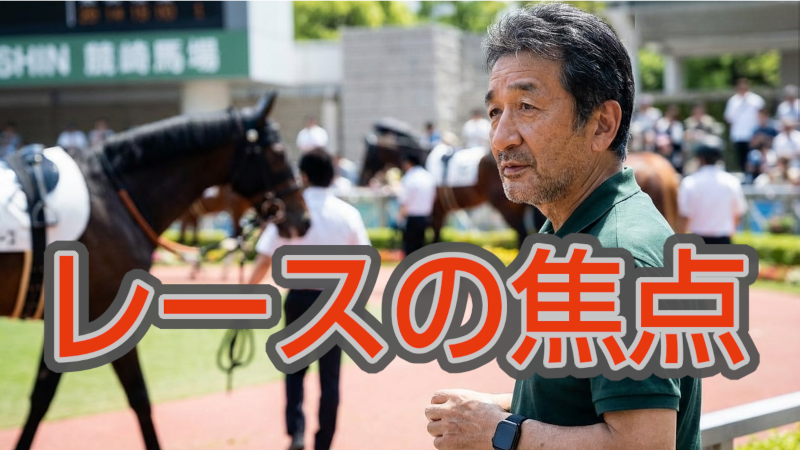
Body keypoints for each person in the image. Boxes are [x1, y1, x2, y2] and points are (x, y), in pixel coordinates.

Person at [425, 4, 701, 450]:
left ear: (602, 125)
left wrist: (498, 431)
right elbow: (576, 402)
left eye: (527, 106)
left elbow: (645, 443)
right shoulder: (571, 231)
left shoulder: (619, 257)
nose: (502, 137)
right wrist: (489, 411)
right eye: (495, 111)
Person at [248, 149, 370, 450]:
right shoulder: (348, 214)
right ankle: (323, 442)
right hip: (335, 303)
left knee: (294, 371)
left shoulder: (289, 213)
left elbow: (264, 258)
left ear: (302, 176)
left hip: (298, 299)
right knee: (330, 379)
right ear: (333, 175)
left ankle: (297, 433)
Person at [678, 136, 747, 245]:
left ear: (700, 158)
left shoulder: (689, 182)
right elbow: (738, 213)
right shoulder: (732, 182)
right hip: (723, 240)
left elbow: (684, 216)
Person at [398, 153, 436, 256]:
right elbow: (433, 197)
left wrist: (399, 218)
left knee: (410, 248)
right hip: (425, 217)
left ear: (409, 163)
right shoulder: (429, 177)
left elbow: (405, 201)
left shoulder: (409, 177)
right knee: (420, 247)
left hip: (412, 217)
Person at [724, 78, 765, 171]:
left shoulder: (756, 100)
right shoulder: (733, 101)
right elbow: (728, 118)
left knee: (754, 157)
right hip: (738, 135)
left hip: (753, 135)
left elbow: (762, 116)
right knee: (741, 158)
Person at [655, 104, 684, 172]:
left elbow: (677, 140)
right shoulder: (661, 123)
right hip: (661, 149)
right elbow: (658, 136)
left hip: (674, 149)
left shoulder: (678, 125)